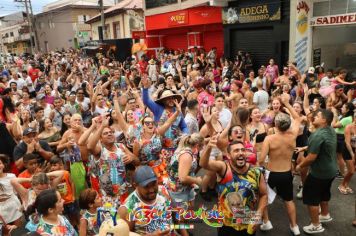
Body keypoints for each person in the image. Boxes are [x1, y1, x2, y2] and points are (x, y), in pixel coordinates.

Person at [200, 138, 267, 236]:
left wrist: (258, 214)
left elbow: (264, 194)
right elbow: (203, 164)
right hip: (226, 224)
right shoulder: (223, 168)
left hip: (248, 222)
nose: (241, 153)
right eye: (236, 151)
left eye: (243, 150)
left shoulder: (256, 172)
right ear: (228, 155)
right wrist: (209, 147)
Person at [258, 94, 301, 235]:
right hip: (287, 173)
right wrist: (287, 104)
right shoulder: (293, 135)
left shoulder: (269, 139)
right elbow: (297, 118)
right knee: (289, 200)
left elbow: (261, 159)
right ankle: (294, 227)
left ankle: (266, 222)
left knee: (262, 197)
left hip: (271, 173)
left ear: (276, 125)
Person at [296, 109, 337, 234]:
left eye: (317, 116)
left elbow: (311, 157)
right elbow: (321, 145)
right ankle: (324, 214)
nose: (314, 117)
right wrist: (304, 147)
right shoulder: (330, 130)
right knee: (324, 193)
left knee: (311, 198)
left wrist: (299, 166)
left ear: (324, 120)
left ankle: (315, 225)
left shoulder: (317, 135)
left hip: (319, 173)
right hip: (331, 171)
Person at [118, 166, 172, 235]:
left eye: (154, 184)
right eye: (146, 186)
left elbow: (175, 218)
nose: (152, 190)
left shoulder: (163, 191)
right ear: (135, 185)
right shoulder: (127, 208)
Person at [0, 154, 23, 228]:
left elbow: (18, 192)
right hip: (1, 210)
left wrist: (22, 205)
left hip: (14, 205)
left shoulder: (11, 176)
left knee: (17, 228)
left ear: (3, 165)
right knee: (4, 231)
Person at [342, 113, 356, 194]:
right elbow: (347, 143)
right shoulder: (349, 127)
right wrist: (352, 155)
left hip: (355, 150)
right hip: (348, 150)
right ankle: (341, 185)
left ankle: (346, 184)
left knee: (353, 170)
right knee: (351, 171)